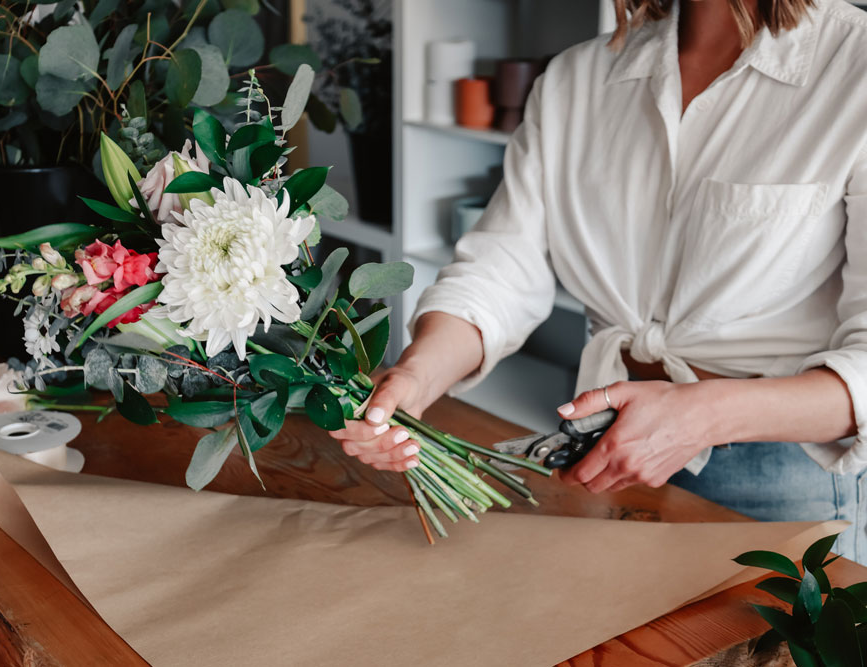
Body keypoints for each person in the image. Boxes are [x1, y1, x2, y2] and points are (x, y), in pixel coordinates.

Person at [327, 0, 867, 562]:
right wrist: (414, 378)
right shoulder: (576, 79)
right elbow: (499, 270)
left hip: (783, 475)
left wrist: (700, 416)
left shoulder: (854, 68)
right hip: (604, 447)